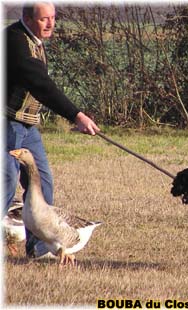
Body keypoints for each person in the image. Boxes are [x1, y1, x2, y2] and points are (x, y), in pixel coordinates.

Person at [5, 2, 100, 258]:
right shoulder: (14, 42)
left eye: (53, 18)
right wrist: (76, 115)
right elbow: (40, 83)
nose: (50, 24)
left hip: (27, 123)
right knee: (6, 181)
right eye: (44, 18)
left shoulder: (33, 39)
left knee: (41, 184)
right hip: (7, 122)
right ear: (26, 17)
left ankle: (38, 248)